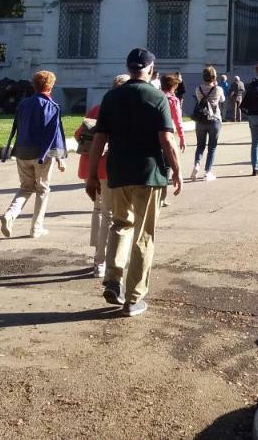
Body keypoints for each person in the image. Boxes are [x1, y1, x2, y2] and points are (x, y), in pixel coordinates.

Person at [84, 47, 183, 316]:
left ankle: (113, 281)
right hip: (148, 174)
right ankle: (133, 297)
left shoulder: (112, 97)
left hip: (117, 172)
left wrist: (92, 175)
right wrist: (177, 170)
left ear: (129, 68)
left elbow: (99, 140)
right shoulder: (157, 97)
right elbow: (166, 140)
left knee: (119, 225)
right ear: (151, 69)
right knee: (144, 234)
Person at [0, 70, 68, 239]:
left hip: (22, 152)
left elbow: (17, 127)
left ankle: (10, 214)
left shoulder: (23, 104)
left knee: (25, 187)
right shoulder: (52, 106)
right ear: (51, 86)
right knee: (43, 189)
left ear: (34, 85)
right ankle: (36, 228)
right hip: (42, 154)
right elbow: (55, 134)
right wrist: (60, 158)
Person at [80, 75, 127, 277]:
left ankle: (97, 252)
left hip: (91, 166)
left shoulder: (97, 108)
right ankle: (100, 260)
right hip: (108, 168)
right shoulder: (122, 109)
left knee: (98, 210)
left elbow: (78, 133)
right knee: (108, 214)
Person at [190, 66, 225, 181]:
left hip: (201, 120)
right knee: (212, 147)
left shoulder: (198, 89)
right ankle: (207, 172)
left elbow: (199, 100)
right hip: (214, 119)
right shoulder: (218, 89)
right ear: (214, 77)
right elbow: (222, 100)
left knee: (200, 145)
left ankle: (197, 165)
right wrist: (215, 85)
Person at [160, 72, 187, 205]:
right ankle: (162, 197)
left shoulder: (156, 97)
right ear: (173, 86)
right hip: (167, 134)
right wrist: (182, 138)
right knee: (166, 166)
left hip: (152, 135)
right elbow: (178, 120)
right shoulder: (172, 100)